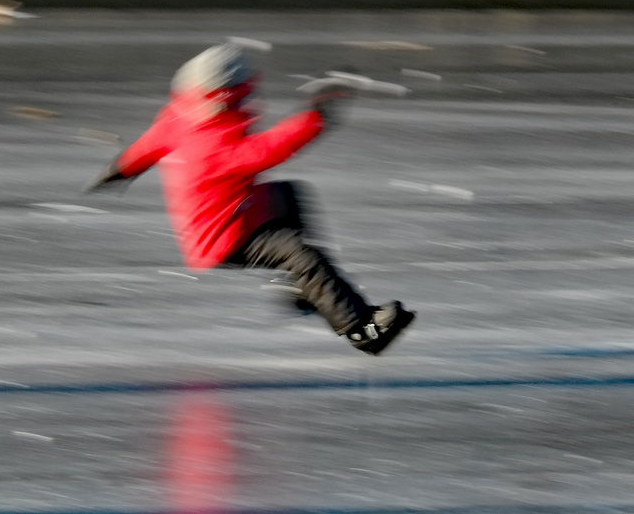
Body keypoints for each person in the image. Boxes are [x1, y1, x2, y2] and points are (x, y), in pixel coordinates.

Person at [85, 42, 414, 355]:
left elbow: (145, 147)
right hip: (225, 237)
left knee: (287, 194)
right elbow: (273, 146)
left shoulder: (179, 116)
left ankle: (301, 290)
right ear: (231, 95)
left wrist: (118, 170)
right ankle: (361, 328)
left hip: (234, 208)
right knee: (301, 255)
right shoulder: (216, 146)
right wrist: (318, 115)